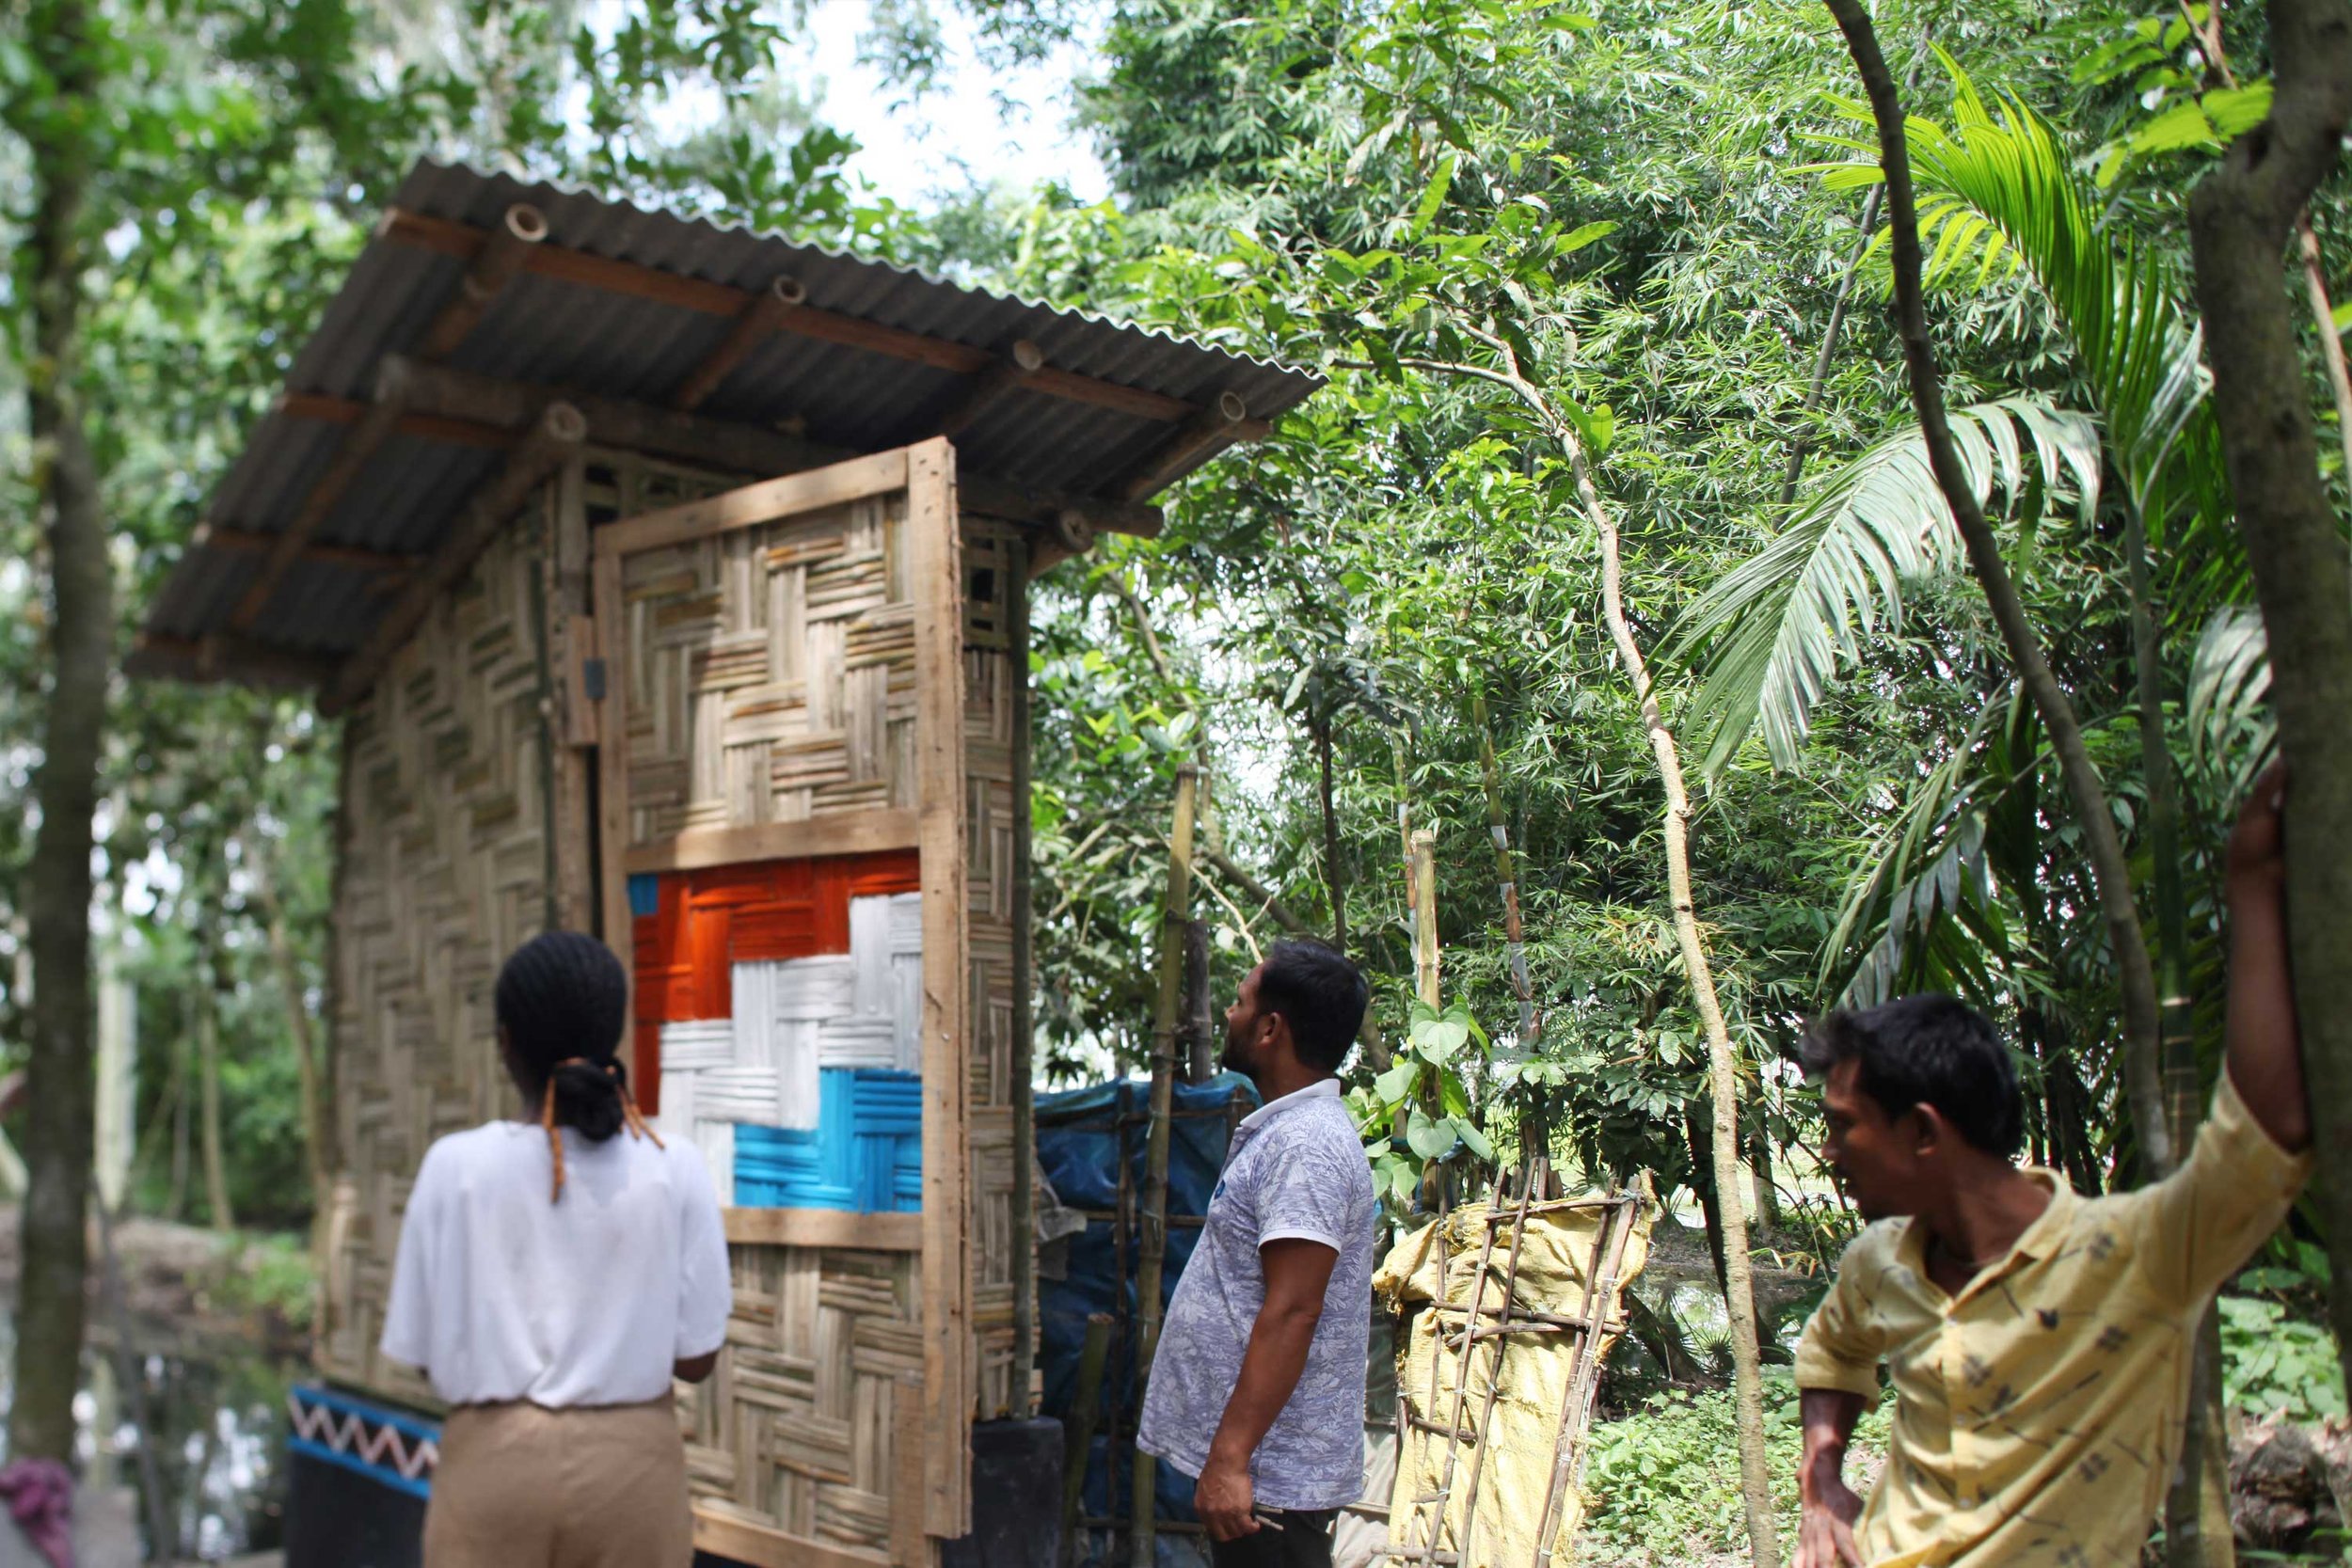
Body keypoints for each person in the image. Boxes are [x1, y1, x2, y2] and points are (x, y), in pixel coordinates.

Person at [1793, 763, 2312, 1568]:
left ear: (1923, 1132)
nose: (1829, 1154)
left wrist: (2253, 878)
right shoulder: (1877, 1265)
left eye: (1843, 1127)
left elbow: (2265, 1133)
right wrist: (1821, 1475)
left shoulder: (2138, 1255)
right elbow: (1833, 1349)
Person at [380, 931, 732, 1568]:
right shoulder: (671, 1164)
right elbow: (699, 1358)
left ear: (506, 1042)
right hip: (635, 1475)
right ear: (611, 1039)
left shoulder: (453, 1167)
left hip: (492, 1470)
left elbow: (427, 1355)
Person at [1136, 939, 1376, 1568]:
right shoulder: (1290, 1132)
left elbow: (1295, 1306)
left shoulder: (1307, 1145)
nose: (1231, 1013)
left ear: (1271, 1027)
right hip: (1265, 1473)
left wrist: (1231, 1456)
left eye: (1241, 1001)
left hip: (1271, 1479)